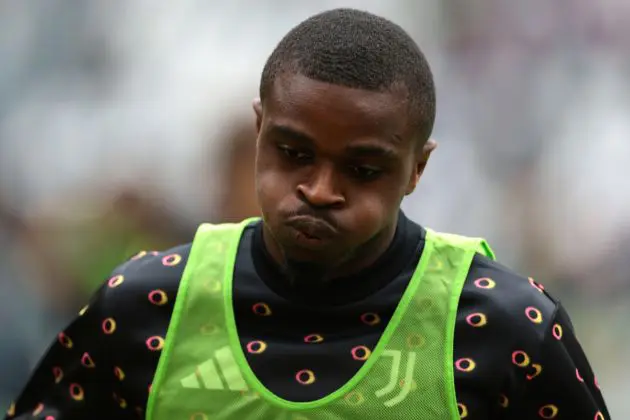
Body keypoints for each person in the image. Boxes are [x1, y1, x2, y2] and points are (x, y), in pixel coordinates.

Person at [5, 8, 609, 420]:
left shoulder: (506, 329)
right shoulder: (141, 308)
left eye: (363, 169)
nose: (320, 190)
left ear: (417, 170)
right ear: (259, 130)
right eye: (294, 154)